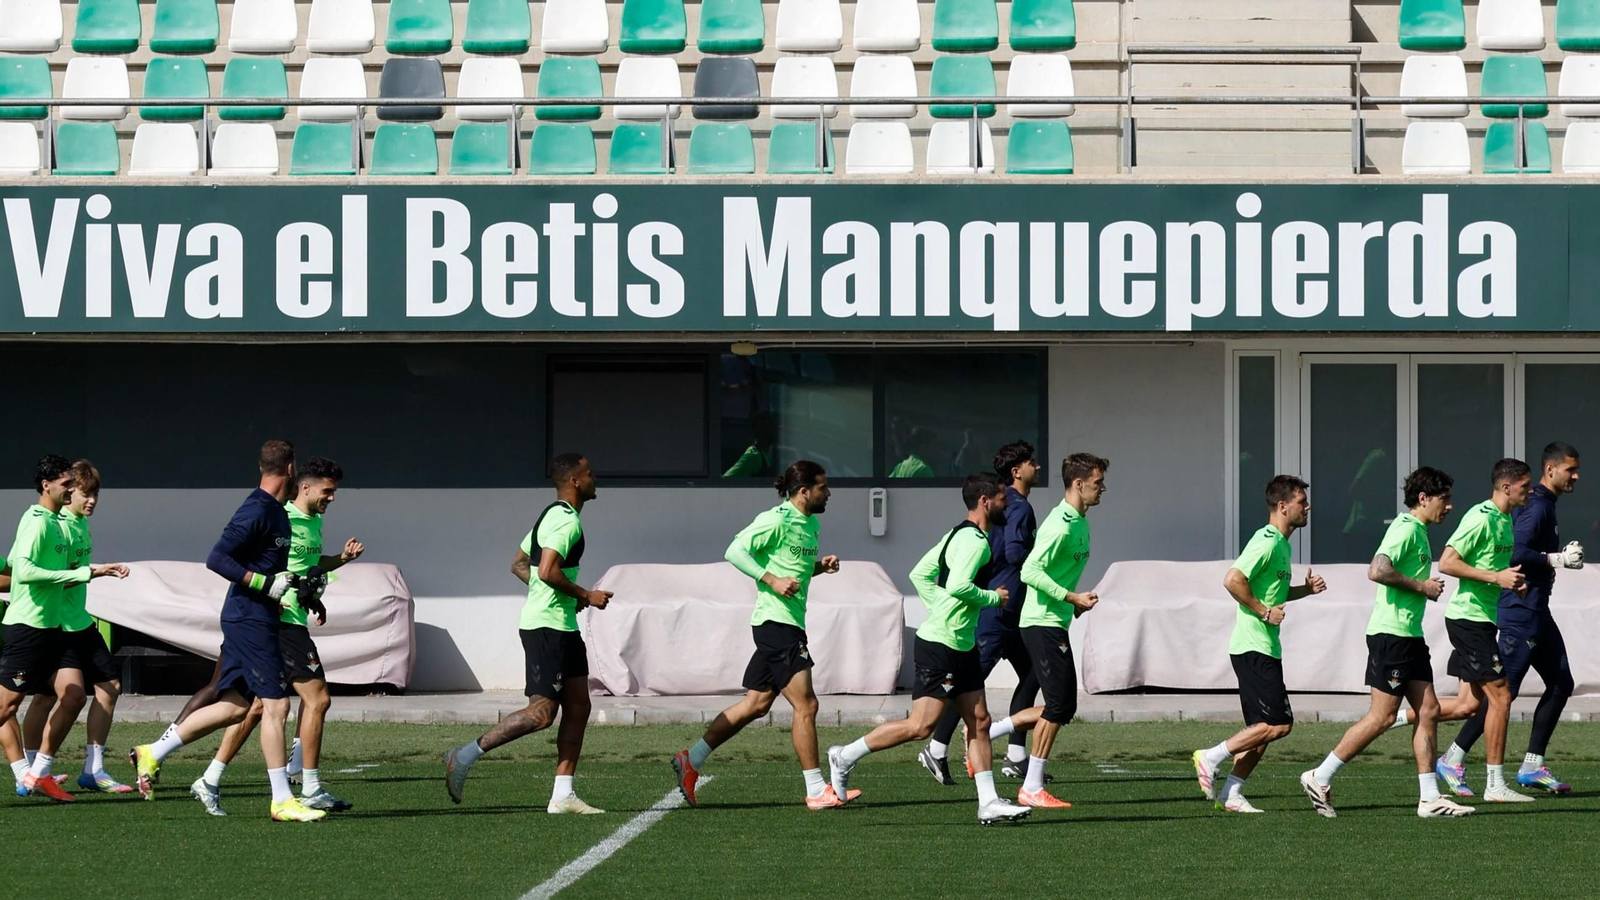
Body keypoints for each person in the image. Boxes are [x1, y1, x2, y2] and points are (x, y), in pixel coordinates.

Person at [128, 440, 327, 822]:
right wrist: (261, 584)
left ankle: (153, 751)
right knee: (277, 705)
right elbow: (217, 558)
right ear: (290, 470)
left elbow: (267, 567)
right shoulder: (256, 509)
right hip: (249, 617)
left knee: (235, 707)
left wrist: (294, 586)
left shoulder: (276, 512)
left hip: (255, 616)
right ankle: (282, 799)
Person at [826, 473, 1033, 826]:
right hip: (942, 646)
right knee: (921, 727)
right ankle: (844, 756)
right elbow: (957, 585)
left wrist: (940, 605)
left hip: (961, 643)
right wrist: (991, 598)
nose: (1007, 505)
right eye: (1002, 499)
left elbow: (919, 574)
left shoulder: (957, 534)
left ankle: (988, 802)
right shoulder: (976, 543)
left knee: (980, 721)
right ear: (985, 501)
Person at [189, 456, 364, 816]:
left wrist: (338, 564)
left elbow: (309, 568)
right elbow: (250, 563)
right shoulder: (280, 517)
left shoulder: (312, 522)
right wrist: (266, 593)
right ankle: (310, 787)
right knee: (316, 699)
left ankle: (209, 776)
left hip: (289, 616)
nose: (332, 498)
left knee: (254, 707)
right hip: (276, 619)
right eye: (327, 491)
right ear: (304, 485)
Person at [1297, 467, 1474, 818]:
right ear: (1423, 499)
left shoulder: (1420, 532)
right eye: (1445, 499)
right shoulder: (1405, 528)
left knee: (1429, 711)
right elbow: (1377, 570)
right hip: (1390, 635)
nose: (1450, 506)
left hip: (1409, 635)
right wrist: (1422, 586)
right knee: (1382, 717)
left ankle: (1429, 799)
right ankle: (1319, 775)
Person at [672, 460, 848, 810]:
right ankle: (816, 789)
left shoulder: (809, 523)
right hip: (775, 624)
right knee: (806, 704)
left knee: (756, 704)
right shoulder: (777, 519)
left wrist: (819, 569)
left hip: (788, 622)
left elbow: (792, 567)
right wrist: (771, 580)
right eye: (823, 488)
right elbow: (734, 551)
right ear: (803, 492)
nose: (829, 494)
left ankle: (691, 759)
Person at [445, 453, 611, 814]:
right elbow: (548, 570)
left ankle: (563, 795)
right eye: (589, 473)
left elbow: (520, 564)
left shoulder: (551, 516)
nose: (595, 478)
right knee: (542, 714)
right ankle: (463, 755)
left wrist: (561, 595)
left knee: (579, 705)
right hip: (545, 628)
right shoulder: (566, 522)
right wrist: (585, 595)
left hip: (560, 625)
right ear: (576, 482)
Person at [1426, 443, 1583, 795]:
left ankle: (1531, 765)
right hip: (1516, 615)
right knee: (1499, 697)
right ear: (1550, 469)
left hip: (1534, 609)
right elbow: (1515, 553)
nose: (1576, 476)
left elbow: (1507, 559)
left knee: (1560, 684)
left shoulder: (1520, 509)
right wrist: (1555, 560)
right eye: (1570, 469)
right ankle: (1453, 756)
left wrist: (1523, 579)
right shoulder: (1534, 505)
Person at [1191, 475, 1326, 814]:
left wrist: (1304, 591)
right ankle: (1211, 756)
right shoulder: (1266, 541)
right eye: (1301, 502)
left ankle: (1232, 794)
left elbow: (1274, 594)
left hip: (1264, 646)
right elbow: (1233, 580)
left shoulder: (1282, 544)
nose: (1307, 507)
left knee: (1260, 732)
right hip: (1253, 647)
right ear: (1282, 507)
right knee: (1279, 725)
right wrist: (1264, 613)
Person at [1, 455, 126, 802]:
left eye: (79, 488)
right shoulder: (41, 522)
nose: (76, 494)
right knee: (7, 707)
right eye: (69, 486)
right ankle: (30, 771)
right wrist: (87, 573)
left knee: (61, 696)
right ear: (48, 486)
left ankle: (36, 772)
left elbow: (12, 566)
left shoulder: (58, 522)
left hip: (50, 627)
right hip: (30, 626)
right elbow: (23, 572)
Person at [920, 441, 1042, 786]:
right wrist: (1044, 572)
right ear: (1016, 471)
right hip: (998, 610)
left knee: (1033, 673)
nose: (1039, 467)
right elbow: (1017, 553)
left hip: (1010, 609)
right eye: (1032, 462)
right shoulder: (1016, 508)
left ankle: (1016, 756)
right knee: (963, 688)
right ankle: (937, 748)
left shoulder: (1009, 508)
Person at [1424, 457, 1535, 803]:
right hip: (1468, 620)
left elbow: (1491, 569)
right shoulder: (1480, 517)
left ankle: (1395, 716)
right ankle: (1495, 785)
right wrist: (1497, 577)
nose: (1530, 491)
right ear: (1506, 487)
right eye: (1525, 486)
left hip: (1483, 620)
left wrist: (1511, 583)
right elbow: (1447, 562)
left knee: (1468, 706)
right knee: (1501, 697)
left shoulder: (1505, 521)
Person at [1004, 453, 1108, 808]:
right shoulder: (1059, 524)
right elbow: (1029, 571)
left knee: (1062, 705)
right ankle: (1031, 787)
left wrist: (1074, 603)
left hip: (1055, 621)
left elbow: (1059, 573)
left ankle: (989, 733)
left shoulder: (1081, 521)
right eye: (1097, 483)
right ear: (1078, 484)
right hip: (1040, 623)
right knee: (1060, 705)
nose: (1103, 489)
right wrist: (1071, 596)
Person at [723, 412, 778, 478]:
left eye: (770, 428)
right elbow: (726, 479)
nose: (770, 433)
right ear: (757, 433)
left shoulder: (770, 454)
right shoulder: (753, 455)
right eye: (765, 429)